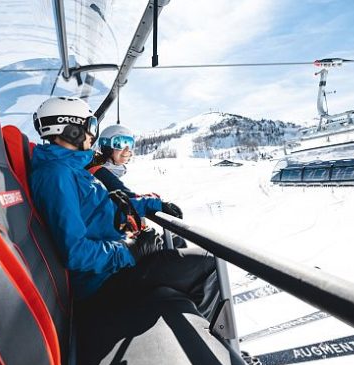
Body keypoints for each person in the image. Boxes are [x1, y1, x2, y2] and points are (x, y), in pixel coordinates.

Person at [29, 96, 217, 318]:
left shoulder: (74, 169)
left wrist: (153, 204)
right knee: (207, 264)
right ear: (72, 130)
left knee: (175, 243)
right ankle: (214, 341)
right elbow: (75, 253)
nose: (93, 134)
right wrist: (129, 251)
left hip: (113, 262)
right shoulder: (57, 175)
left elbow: (113, 205)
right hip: (101, 280)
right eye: (90, 126)